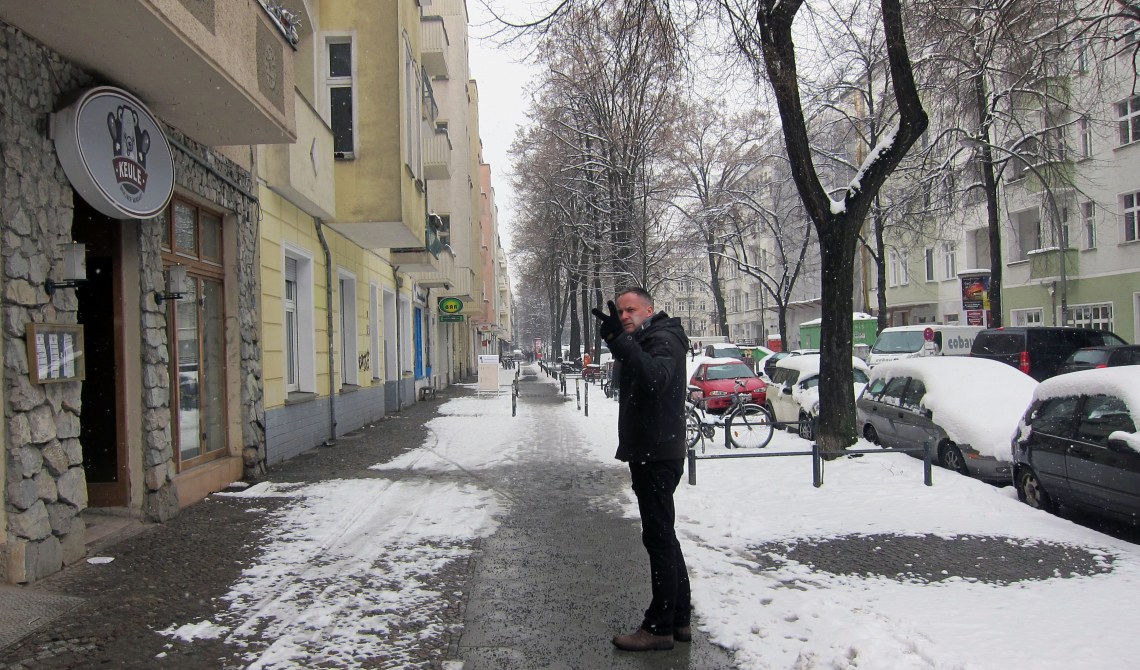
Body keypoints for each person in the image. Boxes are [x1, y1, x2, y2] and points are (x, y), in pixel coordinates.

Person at [591, 288, 692, 652]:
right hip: (653, 450)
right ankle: (679, 619)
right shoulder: (648, 338)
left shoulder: (663, 338)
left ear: (650, 309)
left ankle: (659, 626)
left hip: (657, 453)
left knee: (659, 539)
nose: (624, 316)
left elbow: (655, 379)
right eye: (620, 312)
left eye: (630, 309)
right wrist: (622, 341)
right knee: (665, 536)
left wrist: (621, 341)